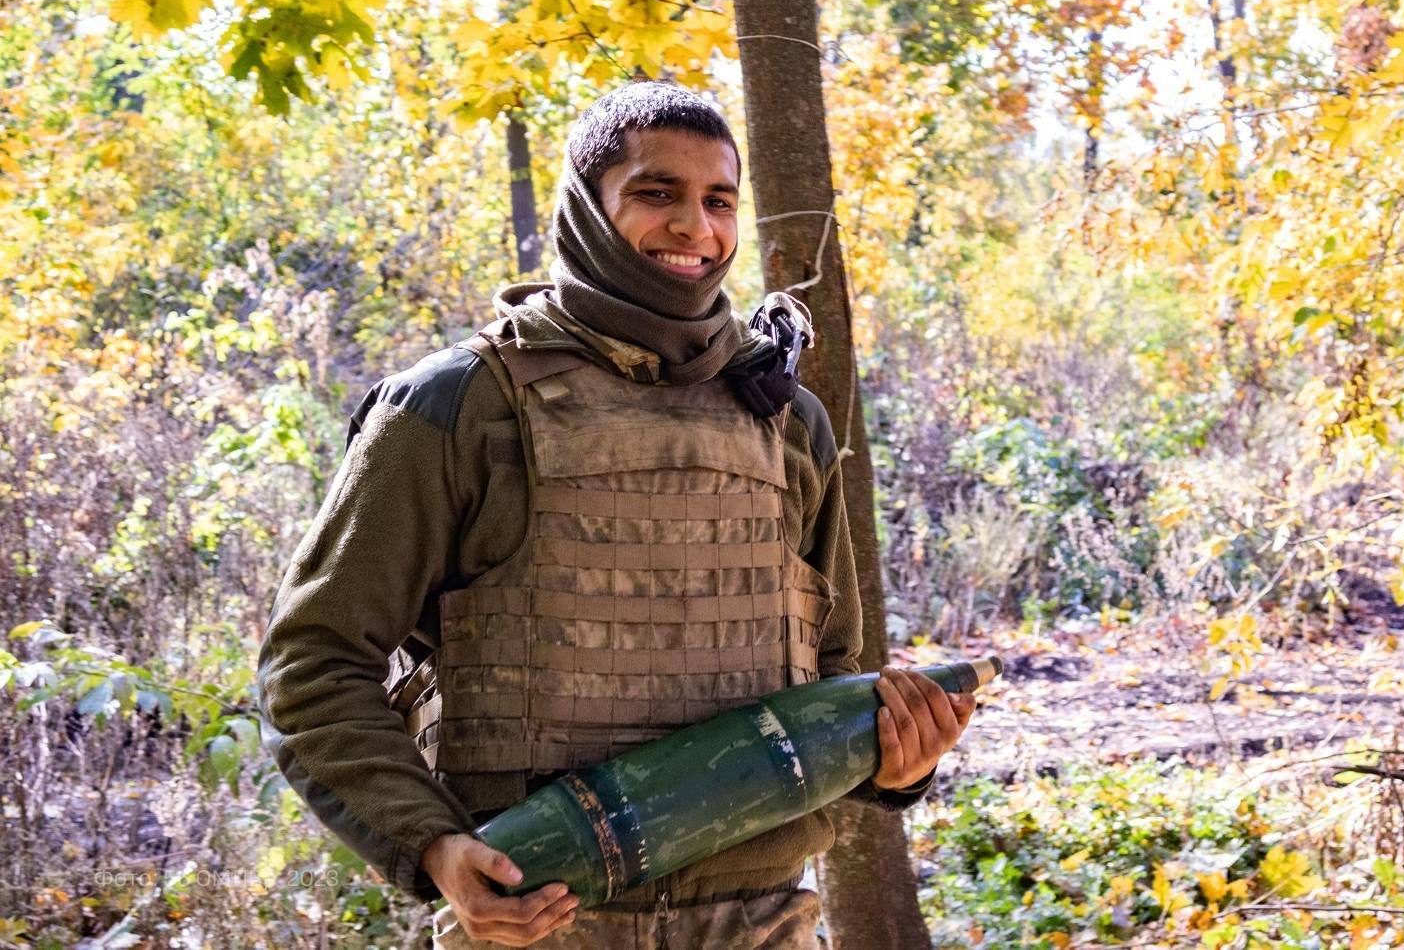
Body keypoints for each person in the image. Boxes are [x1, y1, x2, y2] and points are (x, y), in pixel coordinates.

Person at [257, 80, 975, 949]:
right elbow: (313, 664)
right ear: (587, 206)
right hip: (538, 925)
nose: (695, 227)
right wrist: (433, 847)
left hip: (760, 925)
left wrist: (897, 763)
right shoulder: (458, 405)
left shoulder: (784, 418)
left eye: (719, 201)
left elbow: (831, 670)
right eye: (656, 193)